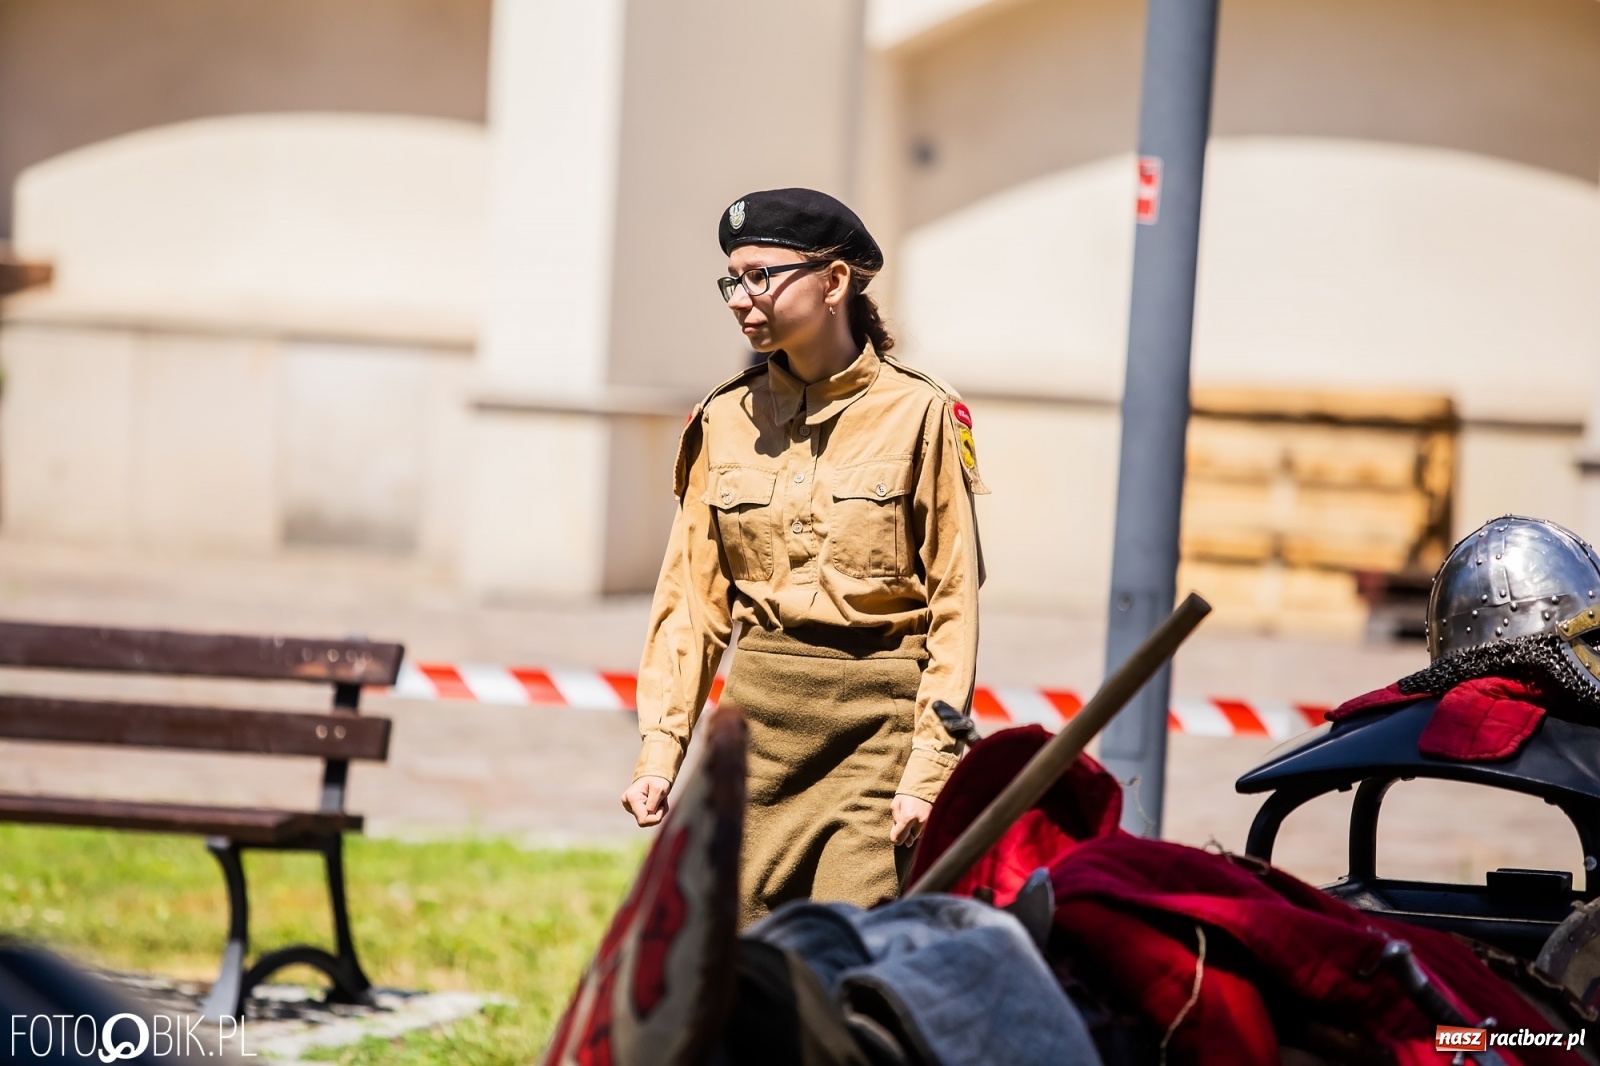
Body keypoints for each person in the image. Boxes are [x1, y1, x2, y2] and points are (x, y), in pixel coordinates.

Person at [620, 187, 989, 925]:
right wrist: (661, 753)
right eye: (733, 278)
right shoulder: (721, 419)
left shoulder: (922, 415)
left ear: (835, 282)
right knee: (737, 969)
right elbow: (690, 606)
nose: (739, 296)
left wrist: (929, 768)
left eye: (761, 274)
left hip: (876, 733)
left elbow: (954, 607)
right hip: (751, 736)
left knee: (841, 955)